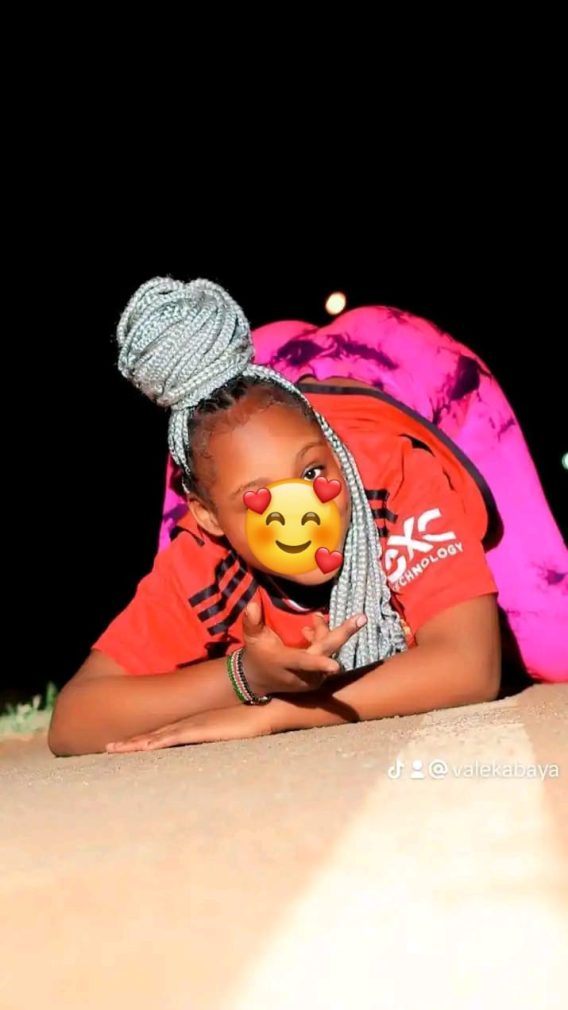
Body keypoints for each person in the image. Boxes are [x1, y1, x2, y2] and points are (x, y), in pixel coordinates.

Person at [50, 276, 534, 757]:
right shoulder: (203, 554)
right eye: (257, 496)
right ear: (209, 517)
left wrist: (281, 711)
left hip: (412, 378)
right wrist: (246, 675)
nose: (301, 512)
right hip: (231, 437)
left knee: (549, 647)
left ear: (330, 442)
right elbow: (75, 720)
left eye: (312, 471)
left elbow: (470, 668)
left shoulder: (396, 475)